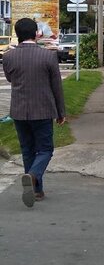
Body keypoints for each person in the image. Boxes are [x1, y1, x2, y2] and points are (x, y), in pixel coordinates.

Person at [2, 17, 66, 207]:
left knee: (27, 150)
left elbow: (10, 78)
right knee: (45, 149)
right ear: (37, 33)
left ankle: (37, 191)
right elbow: (57, 87)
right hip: (43, 110)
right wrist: (60, 112)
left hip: (19, 111)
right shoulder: (48, 56)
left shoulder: (8, 57)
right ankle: (33, 176)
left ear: (17, 35)